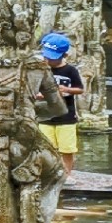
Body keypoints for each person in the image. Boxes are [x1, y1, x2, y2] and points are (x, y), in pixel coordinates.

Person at [36, 31, 83, 171]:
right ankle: (49, 172)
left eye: (52, 58)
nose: (48, 61)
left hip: (66, 116)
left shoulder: (70, 71)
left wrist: (66, 90)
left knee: (67, 148)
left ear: (64, 55)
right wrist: (38, 95)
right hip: (45, 116)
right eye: (46, 57)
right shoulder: (42, 70)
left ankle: (67, 174)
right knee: (45, 146)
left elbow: (80, 89)